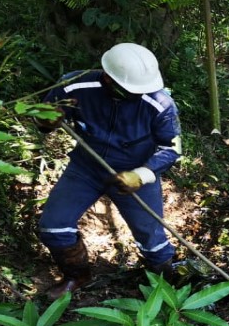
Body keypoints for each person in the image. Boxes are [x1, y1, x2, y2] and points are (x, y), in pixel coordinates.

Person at [37, 43, 182, 299]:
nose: (139, 95)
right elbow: (43, 116)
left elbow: (171, 148)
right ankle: (76, 276)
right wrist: (45, 118)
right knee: (53, 227)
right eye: (131, 91)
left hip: (135, 174)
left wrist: (142, 174)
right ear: (108, 78)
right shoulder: (75, 86)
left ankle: (167, 286)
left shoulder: (160, 104)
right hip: (86, 169)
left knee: (153, 240)